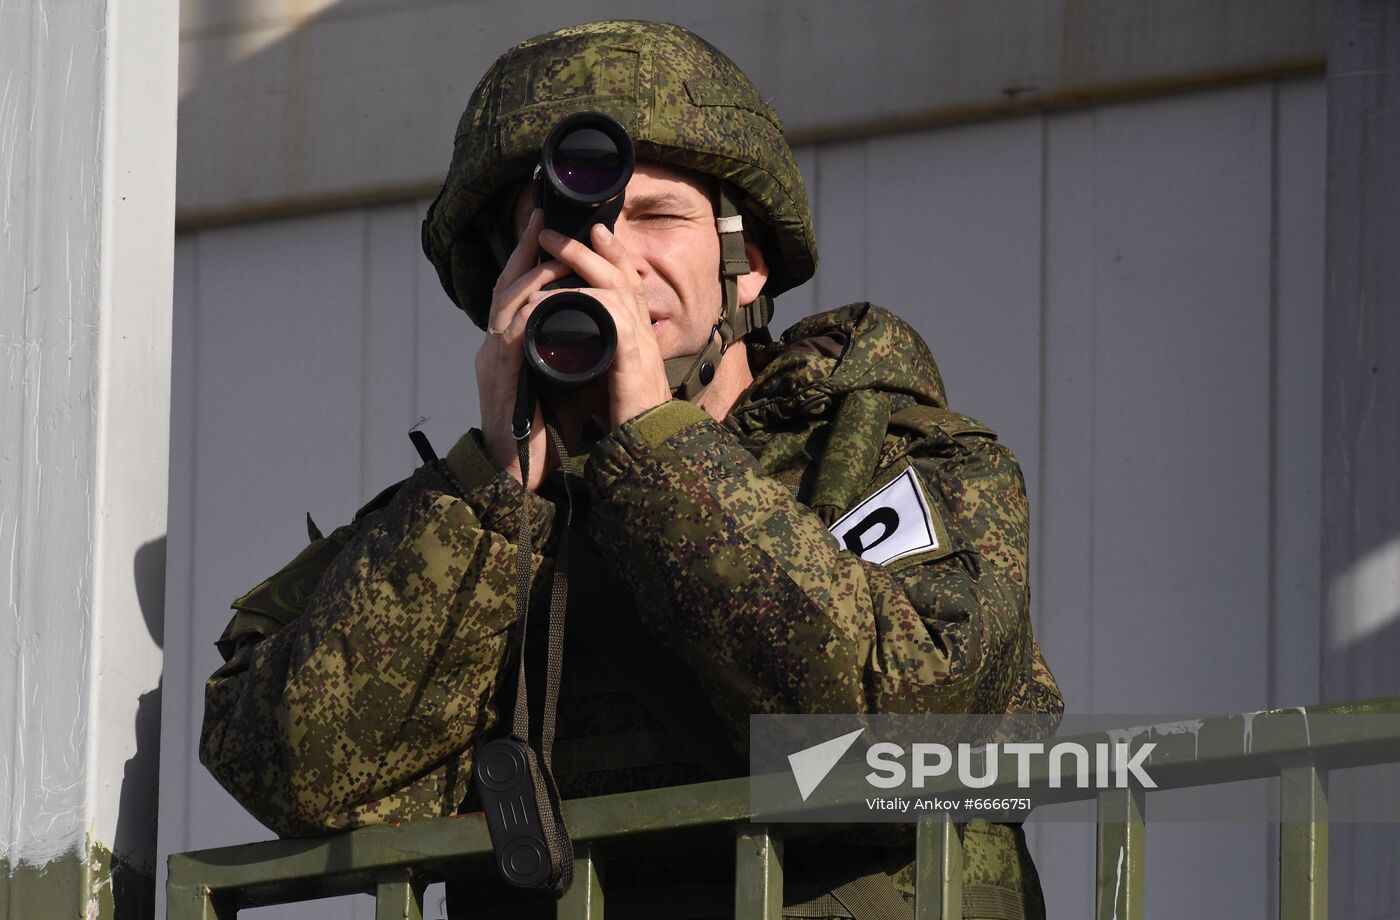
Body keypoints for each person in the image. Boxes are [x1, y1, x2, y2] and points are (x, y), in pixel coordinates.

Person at [200, 19, 1063, 919]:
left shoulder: (893, 463)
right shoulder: (461, 519)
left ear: (747, 263)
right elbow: (298, 778)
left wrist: (654, 444)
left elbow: (907, 735)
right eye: (551, 230)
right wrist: (495, 491)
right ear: (504, 276)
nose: (605, 259)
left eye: (656, 216)